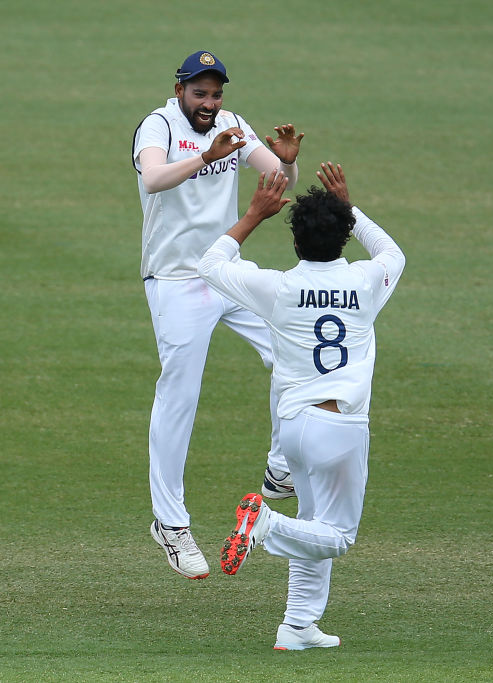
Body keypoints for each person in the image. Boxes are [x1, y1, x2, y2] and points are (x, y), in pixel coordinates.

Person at [197, 163, 406, 649]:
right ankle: (264, 525)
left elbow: (209, 265)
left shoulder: (279, 288)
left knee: (312, 526)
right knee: (338, 536)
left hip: (292, 427)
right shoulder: (365, 281)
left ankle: (297, 627)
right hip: (340, 426)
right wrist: (349, 207)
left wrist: (252, 215)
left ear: (296, 244)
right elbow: (392, 252)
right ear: (344, 238)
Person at [132, 50, 304, 580]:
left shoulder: (230, 122)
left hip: (226, 269)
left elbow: (279, 179)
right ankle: (171, 524)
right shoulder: (156, 126)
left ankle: (279, 471)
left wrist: (288, 160)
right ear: (180, 88)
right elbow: (154, 180)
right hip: (176, 279)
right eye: (200, 93)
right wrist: (206, 157)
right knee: (179, 394)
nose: (210, 103)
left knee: (294, 353)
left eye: (216, 93)